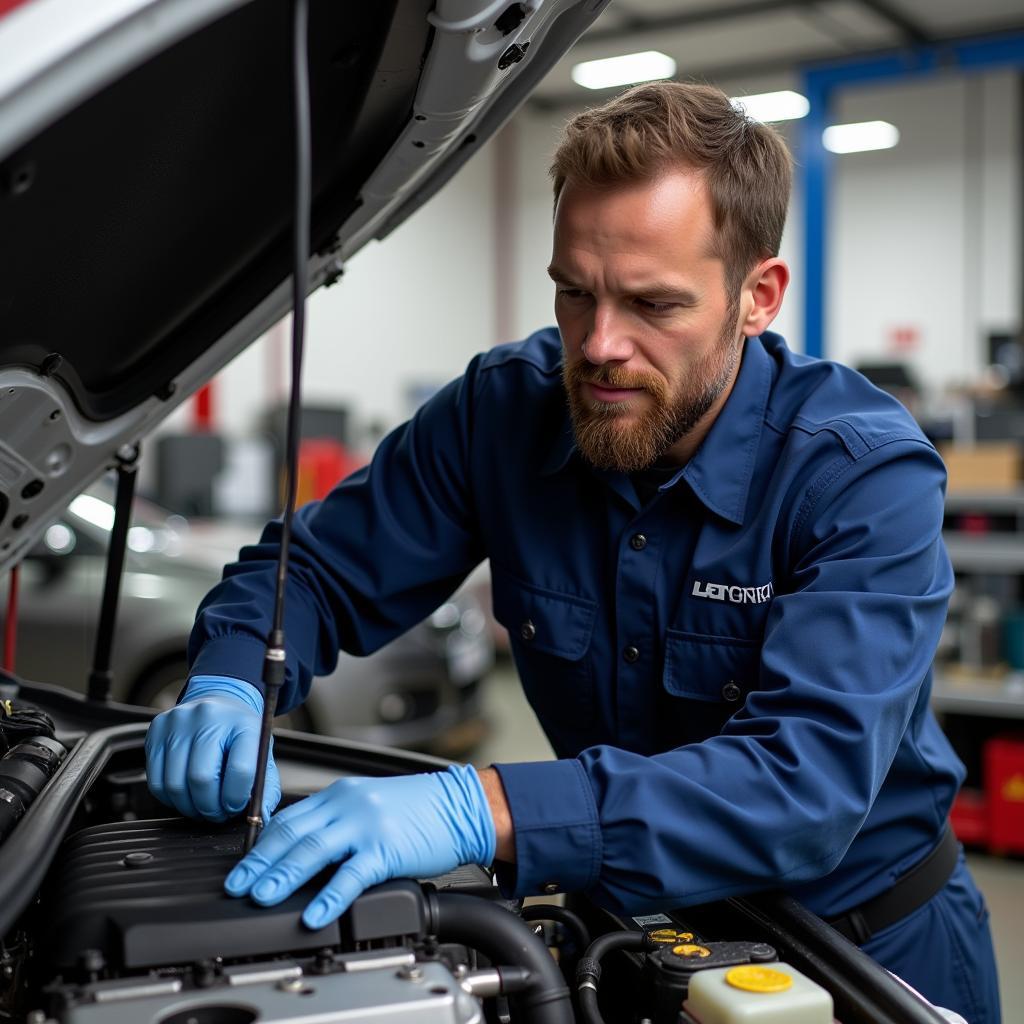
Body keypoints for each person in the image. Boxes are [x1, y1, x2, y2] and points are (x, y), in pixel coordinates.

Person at [144, 82, 1000, 1023]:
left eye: (652, 303)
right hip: (630, 939)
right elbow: (312, 572)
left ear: (757, 296)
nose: (599, 346)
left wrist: (487, 809)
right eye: (573, 292)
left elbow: (804, 785)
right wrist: (230, 677)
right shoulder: (499, 414)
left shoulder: (859, 475)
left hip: (860, 954)